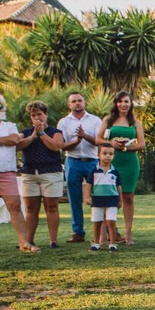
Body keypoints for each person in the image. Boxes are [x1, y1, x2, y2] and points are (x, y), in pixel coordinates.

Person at [0, 94, 37, 253]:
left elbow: (14, 140)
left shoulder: (10, 125)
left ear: (3, 109)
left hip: (6, 170)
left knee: (14, 205)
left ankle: (24, 242)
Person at [96, 91, 145, 246]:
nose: (123, 104)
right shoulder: (108, 120)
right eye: (120, 101)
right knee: (109, 197)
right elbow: (98, 139)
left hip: (129, 162)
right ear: (115, 103)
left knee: (128, 197)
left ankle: (128, 234)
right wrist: (112, 143)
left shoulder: (135, 122)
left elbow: (142, 144)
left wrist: (126, 147)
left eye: (126, 102)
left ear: (130, 104)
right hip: (111, 162)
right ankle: (105, 236)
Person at [15, 100, 65, 249]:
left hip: (51, 173)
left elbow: (56, 147)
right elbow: (17, 145)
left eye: (40, 114)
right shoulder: (25, 132)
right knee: (31, 209)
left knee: (51, 207)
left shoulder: (55, 132)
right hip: (30, 174)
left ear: (46, 115)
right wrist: (32, 136)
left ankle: (53, 240)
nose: (37, 117)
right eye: (33, 115)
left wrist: (41, 133)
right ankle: (28, 240)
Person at [56, 91, 102, 243]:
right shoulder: (64, 122)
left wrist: (85, 136)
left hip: (92, 161)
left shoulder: (95, 120)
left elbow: (99, 141)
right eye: (74, 101)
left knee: (100, 195)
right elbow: (61, 145)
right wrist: (76, 141)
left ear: (84, 102)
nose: (77, 103)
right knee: (74, 198)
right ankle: (78, 232)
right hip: (73, 161)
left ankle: (106, 230)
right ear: (69, 104)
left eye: (80, 100)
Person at [88, 145, 122, 253]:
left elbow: (119, 186)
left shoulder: (114, 171)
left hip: (112, 200)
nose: (108, 156)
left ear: (114, 156)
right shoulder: (94, 171)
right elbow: (89, 184)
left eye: (111, 154)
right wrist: (87, 196)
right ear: (98, 155)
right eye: (105, 153)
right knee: (97, 222)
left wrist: (120, 199)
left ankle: (112, 244)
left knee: (111, 221)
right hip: (97, 201)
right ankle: (95, 243)